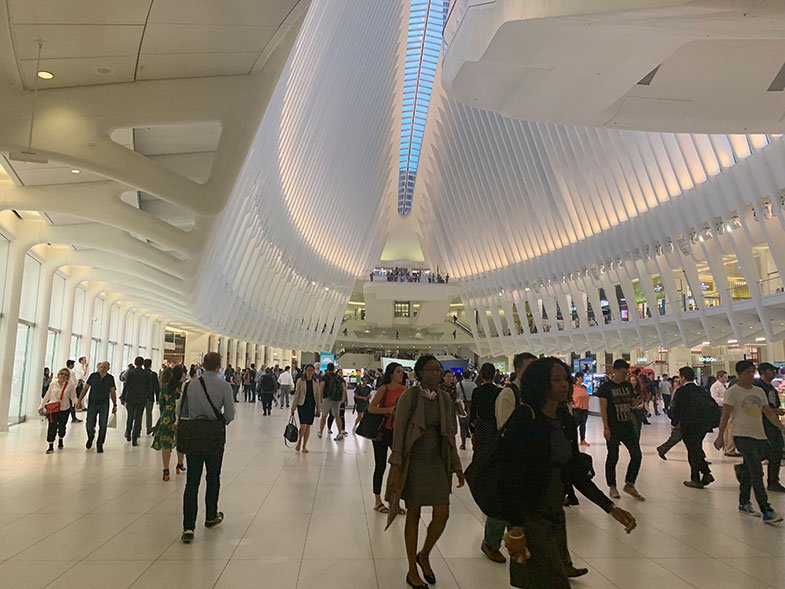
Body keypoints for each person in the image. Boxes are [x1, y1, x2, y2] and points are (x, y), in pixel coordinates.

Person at [498, 358, 637, 588]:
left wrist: (609, 507)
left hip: (555, 513)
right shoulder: (526, 417)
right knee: (552, 581)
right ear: (541, 384)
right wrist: (515, 526)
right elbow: (511, 474)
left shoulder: (564, 420)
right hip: (530, 515)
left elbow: (574, 472)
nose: (564, 384)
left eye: (565, 379)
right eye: (556, 380)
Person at [386, 355, 464, 589]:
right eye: (430, 369)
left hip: (437, 461)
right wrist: (397, 468)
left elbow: (450, 434)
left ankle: (425, 553)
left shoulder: (444, 399)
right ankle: (412, 569)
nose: (436, 373)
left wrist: (457, 466)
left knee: (443, 513)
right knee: (414, 514)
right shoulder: (408, 397)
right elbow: (398, 434)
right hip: (415, 462)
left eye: (438, 369)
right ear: (420, 373)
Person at [714, 360, 785, 524]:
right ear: (739, 374)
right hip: (742, 436)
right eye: (748, 373)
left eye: (753, 372)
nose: (751, 375)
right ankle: (766, 509)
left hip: (760, 435)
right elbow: (725, 416)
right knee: (757, 472)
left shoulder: (759, 391)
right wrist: (720, 436)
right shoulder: (733, 392)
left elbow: (768, 412)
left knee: (748, 469)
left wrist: (781, 427)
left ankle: (744, 501)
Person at [484, 351, 537, 564]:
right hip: (511, 457)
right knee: (504, 503)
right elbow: (505, 428)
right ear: (518, 370)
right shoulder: (509, 394)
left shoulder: (536, 393)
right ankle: (490, 542)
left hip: (531, 457)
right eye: (529, 368)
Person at [180, 352, 235, 544]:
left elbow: (183, 411)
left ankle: (188, 527)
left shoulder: (190, 385)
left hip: (194, 435)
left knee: (192, 482)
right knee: (213, 477)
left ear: (203, 365)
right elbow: (230, 414)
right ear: (219, 366)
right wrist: (220, 421)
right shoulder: (224, 386)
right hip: (213, 436)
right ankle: (211, 515)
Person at [597, 359, 645, 501]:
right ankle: (612, 486)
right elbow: (603, 409)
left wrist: (636, 404)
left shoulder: (627, 386)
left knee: (636, 455)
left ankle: (629, 484)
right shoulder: (605, 388)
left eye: (626, 372)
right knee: (613, 457)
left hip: (627, 425)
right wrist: (606, 428)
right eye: (623, 372)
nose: (625, 375)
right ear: (615, 371)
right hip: (613, 427)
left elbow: (630, 404)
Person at [368, 362, 406, 513]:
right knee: (381, 465)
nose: (401, 374)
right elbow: (371, 408)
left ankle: (394, 501)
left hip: (397, 432)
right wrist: (389, 410)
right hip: (382, 432)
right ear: (391, 374)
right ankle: (377, 500)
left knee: (398, 466)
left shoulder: (405, 390)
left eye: (401, 372)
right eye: (398, 371)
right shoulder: (384, 389)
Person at [668, 367, 715, 489]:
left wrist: (674, 424)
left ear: (683, 377)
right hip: (702, 425)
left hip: (689, 426)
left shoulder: (682, 391)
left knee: (693, 452)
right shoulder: (701, 390)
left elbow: (677, 410)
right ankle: (706, 473)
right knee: (697, 449)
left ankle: (696, 478)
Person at [152, 365, 187, 481]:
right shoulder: (184, 388)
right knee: (180, 441)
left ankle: (166, 470)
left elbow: (161, 403)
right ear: (182, 375)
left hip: (166, 417)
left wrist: (163, 415)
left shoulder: (166, 387)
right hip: (180, 418)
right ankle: (179, 464)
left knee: (166, 444)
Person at [755, 363, 785, 493]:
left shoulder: (771, 388)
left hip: (773, 424)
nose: (774, 372)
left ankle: (773, 481)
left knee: (775, 452)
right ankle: (745, 469)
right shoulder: (758, 388)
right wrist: (774, 411)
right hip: (762, 424)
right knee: (763, 452)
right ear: (763, 371)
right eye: (771, 370)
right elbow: (758, 408)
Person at [76, 361, 117, 453]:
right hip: (92, 403)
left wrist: (115, 405)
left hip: (104, 404)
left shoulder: (110, 378)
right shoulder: (93, 376)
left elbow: (113, 392)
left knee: (103, 424)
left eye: (105, 367)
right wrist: (79, 401)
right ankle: (91, 437)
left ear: (108, 369)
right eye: (101, 367)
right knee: (89, 424)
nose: (102, 369)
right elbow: (85, 388)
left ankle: (100, 443)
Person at [39, 368, 79, 454]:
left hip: (65, 408)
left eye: (66, 375)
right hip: (53, 409)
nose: (63, 376)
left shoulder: (70, 385)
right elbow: (47, 395)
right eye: (62, 374)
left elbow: (73, 396)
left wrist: (78, 403)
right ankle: (50, 445)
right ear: (58, 375)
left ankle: (61, 438)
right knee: (52, 426)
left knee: (62, 427)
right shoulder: (53, 384)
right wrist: (41, 406)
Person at [120, 356, 152, 446]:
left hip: (131, 398)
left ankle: (128, 432)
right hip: (141, 399)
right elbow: (149, 387)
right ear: (142, 364)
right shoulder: (146, 374)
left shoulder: (130, 373)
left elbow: (126, 386)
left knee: (130, 416)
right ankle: (135, 438)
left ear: (135, 363)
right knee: (138, 418)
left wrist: (123, 397)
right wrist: (149, 397)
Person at [291, 364, 319, 453]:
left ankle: (304, 446)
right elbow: (297, 394)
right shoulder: (300, 381)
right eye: (308, 370)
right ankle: (299, 442)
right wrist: (293, 407)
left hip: (311, 405)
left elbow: (317, 395)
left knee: (308, 426)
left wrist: (318, 408)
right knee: (303, 425)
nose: (310, 372)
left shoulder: (316, 381)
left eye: (312, 370)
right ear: (305, 371)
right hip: (302, 405)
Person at [318, 363, 347, 441]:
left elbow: (321, 388)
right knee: (337, 416)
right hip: (337, 398)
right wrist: (343, 399)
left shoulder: (325, 377)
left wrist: (320, 398)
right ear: (334, 369)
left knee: (324, 415)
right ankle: (340, 432)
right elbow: (344, 388)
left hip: (327, 398)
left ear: (327, 369)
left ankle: (320, 431)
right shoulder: (338, 377)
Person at [455, 371, 476, 450]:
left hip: (462, 406)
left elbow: (456, 395)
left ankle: (463, 444)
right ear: (470, 375)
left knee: (462, 426)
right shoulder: (473, 385)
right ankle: (474, 444)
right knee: (472, 425)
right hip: (471, 405)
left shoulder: (459, 384)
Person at [571, 375, 590, 447]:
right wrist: (572, 404)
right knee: (575, 424)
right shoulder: (573, 387)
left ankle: (583, 440)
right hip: (577, 409)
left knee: (583, 425)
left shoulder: (584, 387)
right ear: (577, 378)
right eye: (581, 377)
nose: (582, 379)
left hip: (585, 409)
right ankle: (572, 439)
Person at [143, 358, 160, 436]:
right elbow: (156, 387)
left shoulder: (141, 373)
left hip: (141, 397)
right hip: (150, 396)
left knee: (138, 413)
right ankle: (148, 428)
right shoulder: (153, 374)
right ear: (150, 365)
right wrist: (157, 398)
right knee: (149, 413)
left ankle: (137, 429)